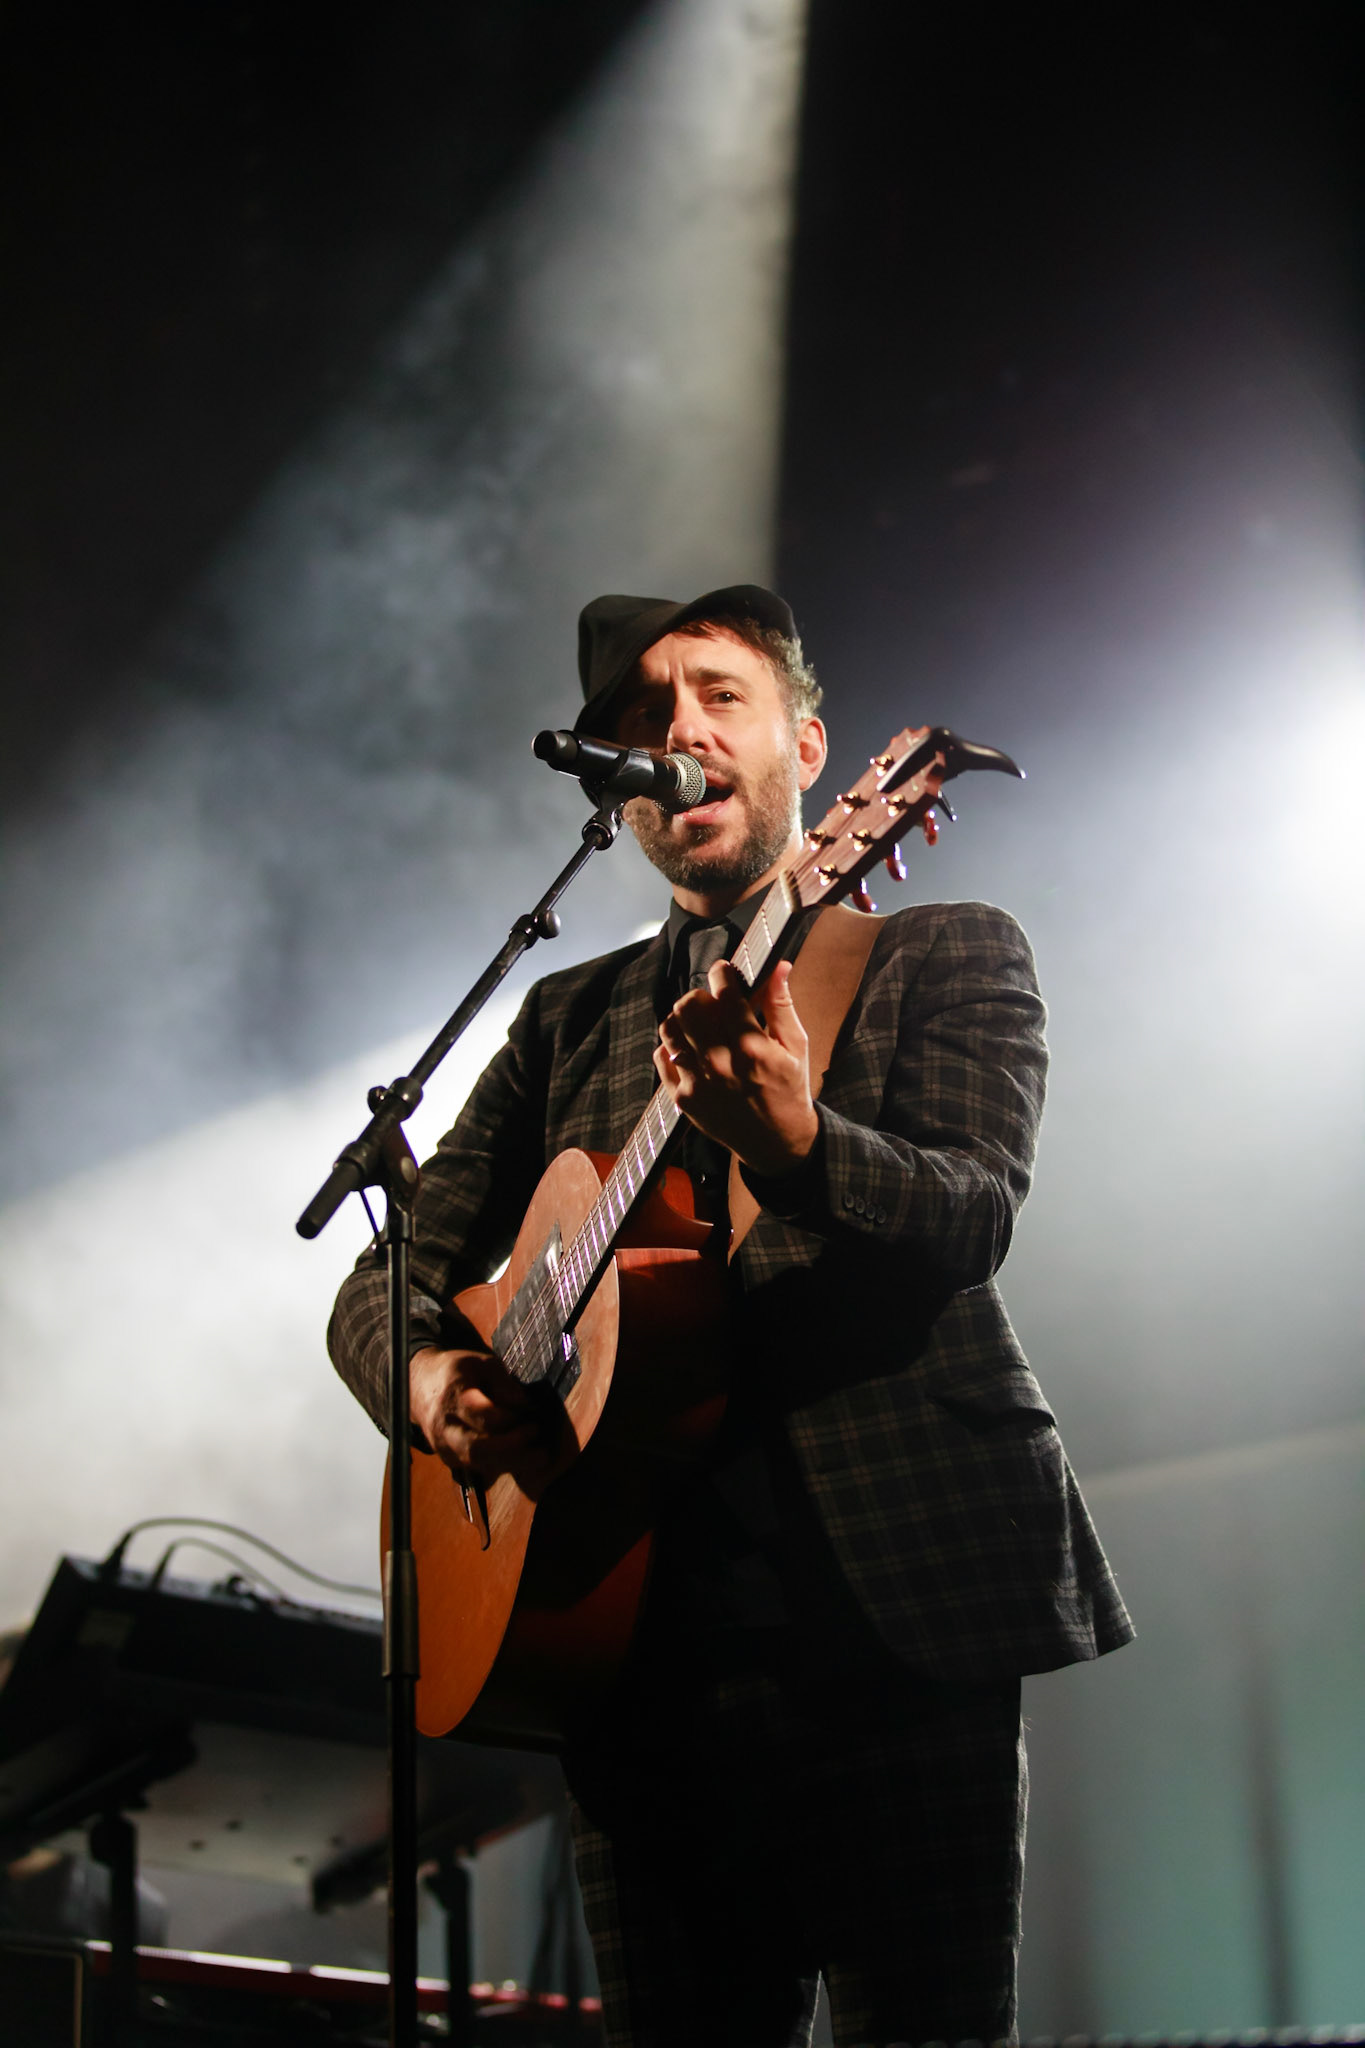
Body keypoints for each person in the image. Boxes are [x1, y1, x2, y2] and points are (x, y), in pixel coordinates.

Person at [328, 584, 1133, 2048]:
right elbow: (387, 1282)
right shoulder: (565, 1021)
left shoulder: (940, 952)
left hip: (892, 1623)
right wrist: (436, 1382)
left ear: (811, 749)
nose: (674, 733)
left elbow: (970, 1216)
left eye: (713, 696)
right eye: (639, 718)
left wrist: (797, 1145)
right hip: (626, 1653)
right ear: (620, 797)